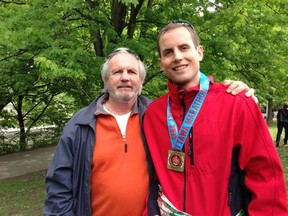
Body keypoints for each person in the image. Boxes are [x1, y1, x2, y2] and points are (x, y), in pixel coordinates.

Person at [44, 47, 255, 215]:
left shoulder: (159, 116)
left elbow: (205, 118)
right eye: (117, 72)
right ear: (106, 80)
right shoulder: (80, 124)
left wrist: (238, 92)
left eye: (132, 72)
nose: (125, 77)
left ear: (141, 80)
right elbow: (59, 187)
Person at [143, 20, 288, 216]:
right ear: (161, 64)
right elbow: (149, 179)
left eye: (184, 48)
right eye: (168, 52)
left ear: (199, 52)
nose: (177, 57)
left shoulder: (236, 103)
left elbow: (266, 177)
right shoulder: (153, 114)